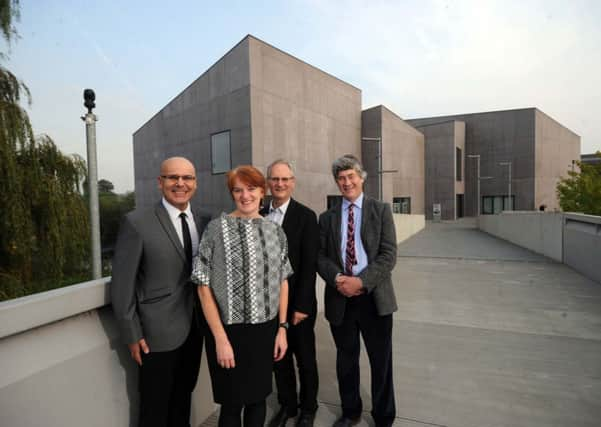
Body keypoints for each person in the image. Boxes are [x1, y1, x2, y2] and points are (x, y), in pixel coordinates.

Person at [111, 156, 211, 427]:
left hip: (195, 329)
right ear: (160, 182)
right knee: (154, 408)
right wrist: (132, 335)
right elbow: (122, 286)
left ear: (195, 183)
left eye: (187, 178)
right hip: (154, 335)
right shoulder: (137, 222)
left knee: (182, 399)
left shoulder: (205, 220)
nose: (180, 183)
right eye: (172, 177)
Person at [191, 165, 292, 427]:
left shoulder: (275, 231)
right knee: (231, 405)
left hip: (265, 330)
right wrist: (220, 339)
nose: (245, 195)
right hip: (228, 332)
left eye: (251, 189)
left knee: (258, 401)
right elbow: (203, 286)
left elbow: (282, 282)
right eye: (238, 190)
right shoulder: (215, 229)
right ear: (232, 193)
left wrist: (282, 329)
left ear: (262, 191)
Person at [317, 155, 398, 427]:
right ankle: (351, 412)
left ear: (361, 178)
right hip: (340, 299)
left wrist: (361, 282)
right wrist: (339, 278)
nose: (346, 182)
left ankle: (384, 416)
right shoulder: (327, 217)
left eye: (351, 176)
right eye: (341, 178)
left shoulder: (381, 210)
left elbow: (388, 255)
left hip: (374, 298)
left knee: (381, 362)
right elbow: (320, 256)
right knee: (346, 362)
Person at [261, 160, 319, 427]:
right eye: (275, 179)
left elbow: (309, 265)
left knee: (305, 360)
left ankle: (308, 408)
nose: (280, 184)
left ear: (293, 182)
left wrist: (302, 306)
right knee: (279, 360)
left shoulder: (306, 216)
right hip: (268, 306)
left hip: (298, 304)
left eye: (285, 179)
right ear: (268, 182)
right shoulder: (258, 214)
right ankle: (288, 407)